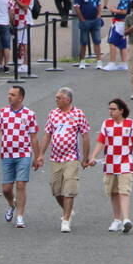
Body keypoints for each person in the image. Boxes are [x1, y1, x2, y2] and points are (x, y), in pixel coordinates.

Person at [0, 85, 40, 229]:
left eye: (13, 94)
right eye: (9, 94)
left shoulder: (29, 114)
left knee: (21, 184)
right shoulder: (2, 112)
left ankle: (20, 216)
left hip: (23, 154)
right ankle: (12, 204)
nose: (9, 96)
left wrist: (38, 156)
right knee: (6, 189)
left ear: (20, 98)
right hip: (6, 154)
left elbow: (34, 137)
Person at [39, 88, 90, 233]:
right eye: (56, 97)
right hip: (55, 157)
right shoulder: (53, 113)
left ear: (67, 100)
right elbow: (47, 134)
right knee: (56, 190)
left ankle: (66, 220)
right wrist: (41, 154)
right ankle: (68, 210)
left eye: (59, 98)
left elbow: (85, 136)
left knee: (69, 187)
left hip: (71, 157)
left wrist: (85, 157)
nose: (56, 100)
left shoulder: (78, 114)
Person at [87, 97, 133, 233]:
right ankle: (117, 220)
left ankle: (126, 219)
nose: (111, 112)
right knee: (113, 192)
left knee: (124, 190)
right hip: (110, 162)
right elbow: (101, 142)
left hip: (125, 161)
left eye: (114, 109)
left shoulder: (130, 124)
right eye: (109, 109)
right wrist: (93, 156)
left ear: (121, 110)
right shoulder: (106, 124)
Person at [73, 0, 102, 68]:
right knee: (83, 41)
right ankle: (82, 61)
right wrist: (82, 19)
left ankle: (99, 61)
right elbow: (76, 6)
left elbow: (99, 4)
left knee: (97, 41)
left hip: (95, 19)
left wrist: (99, 15)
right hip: (85, 20)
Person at [10, 0, 35, 73]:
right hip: (19, 21)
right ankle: (21, 61)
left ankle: (25, 64)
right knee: (21, 42)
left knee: (25, 43)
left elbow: (24, 6)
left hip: (25, 21)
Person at [104, 0, 131, 71]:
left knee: (112, 42)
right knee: (122, 44)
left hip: (119, 23)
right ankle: (123, 63)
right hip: (123, 23)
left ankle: (112, 62)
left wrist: (113, 10)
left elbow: (123, 11)